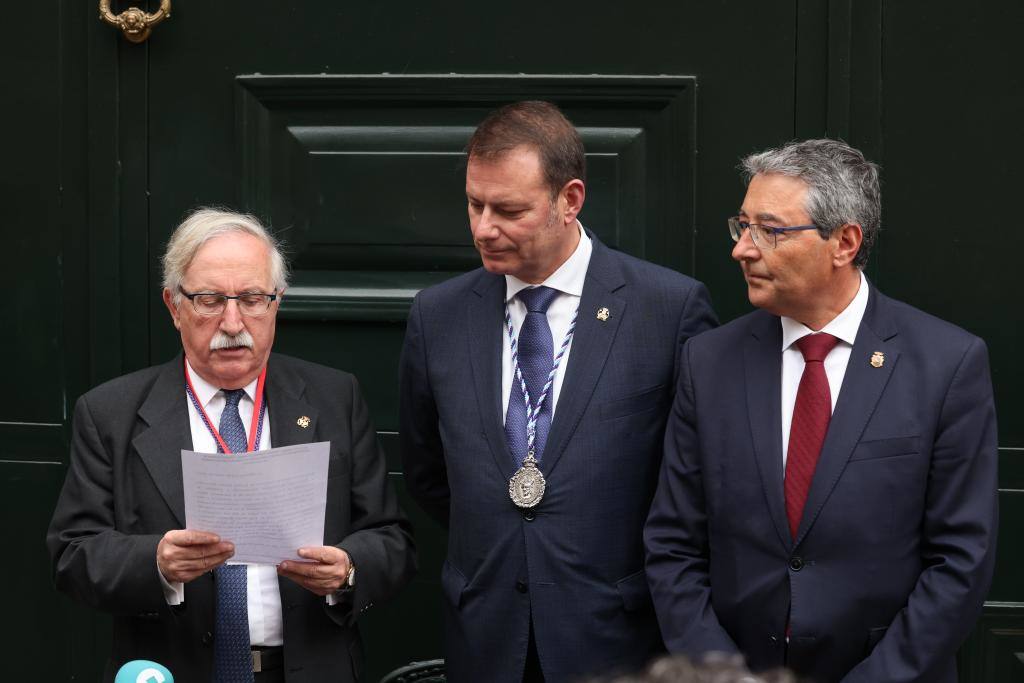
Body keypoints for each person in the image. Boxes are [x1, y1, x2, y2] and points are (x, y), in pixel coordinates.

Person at [644, 139, 998, 682]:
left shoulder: (947, 364)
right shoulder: (708, 361)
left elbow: (960, 561)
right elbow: (673, 544)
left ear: (845, 242)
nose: (743, 249)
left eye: (771, 230)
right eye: (742, 226)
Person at [399, 100, 717, 682]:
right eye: (474, 203)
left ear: (570, 200)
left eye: (509, 209)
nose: (482, 228)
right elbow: (428, 473)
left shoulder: (667, 311)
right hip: (484, 638)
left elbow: (695, 487)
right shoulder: (437, 316)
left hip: (617, 639)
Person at [48, 208, 416, 682]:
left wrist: (347, 571)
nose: (232, 320)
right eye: (209, 299)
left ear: (276, 302)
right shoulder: (109, 413)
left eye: (252, 298)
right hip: (172, 669)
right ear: (173, 306)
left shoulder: (334, 398)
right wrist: (156, 562)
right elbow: (73, 555)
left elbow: (392, 539)